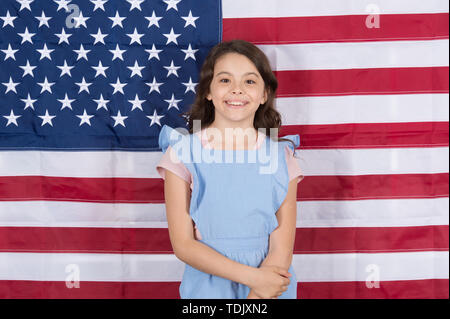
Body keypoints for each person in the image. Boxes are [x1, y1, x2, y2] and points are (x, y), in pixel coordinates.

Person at [156, 39, 304, 299]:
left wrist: (257, 294)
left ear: (264, 94)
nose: (237, 90)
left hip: (270, 287)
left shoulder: (281, 156)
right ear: (208, 92)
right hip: (208, 286)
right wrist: (253, 278)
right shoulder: (182, 153)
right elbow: (183, 244)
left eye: (249, 81)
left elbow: (282, 246)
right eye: (225, 80)